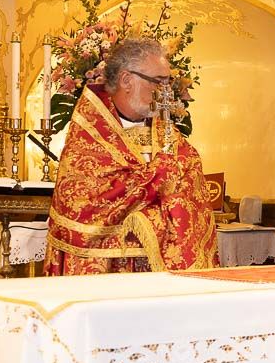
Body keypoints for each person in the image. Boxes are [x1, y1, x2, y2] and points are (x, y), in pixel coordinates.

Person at [45, 37, 219, 275]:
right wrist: (156, 182)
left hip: (160, 275)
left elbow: (191, 187)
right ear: (126, 80)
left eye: (168, 82)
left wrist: (145, 201)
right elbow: (79, 203)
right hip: (105, 270)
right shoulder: (89, 134)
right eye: (158, 81)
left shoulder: (168, 135)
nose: (166, 91)